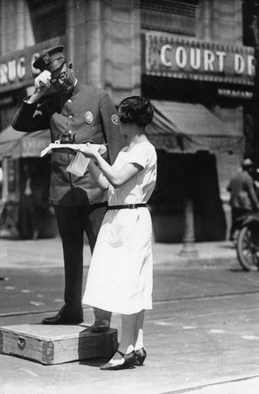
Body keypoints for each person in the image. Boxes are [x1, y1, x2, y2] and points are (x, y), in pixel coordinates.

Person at [12, 45, 124, 331]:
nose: (59, 81)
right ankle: (71, 309)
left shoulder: (97, 97)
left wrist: (116, 185)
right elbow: (19, 123)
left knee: (101, 256)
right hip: (63, 191)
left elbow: (116, 144)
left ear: (70, 67)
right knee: (70, 255)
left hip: (95, 191)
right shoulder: (50, 103)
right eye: (53, 78)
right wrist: (37, 94)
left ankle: (103, 314)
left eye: (61, 74)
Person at [79, 96, 157, 370]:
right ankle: (136, 344)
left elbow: (118, 178)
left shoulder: (145, 150)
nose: (118, 122)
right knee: (122, 279)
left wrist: (97, 155)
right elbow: (106, 184)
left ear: (134, 121)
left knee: (130, 282)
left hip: (133, 218)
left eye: (122, 117)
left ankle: (125, 349)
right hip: (117, 217)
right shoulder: (125, 152)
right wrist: (86, 159)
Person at [227, 158, 259, 240]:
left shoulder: (235, 177)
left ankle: (233, 237)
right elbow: (252, 193)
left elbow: (228, 188)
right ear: (249, 168)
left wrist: (236, 190)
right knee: (247, 221)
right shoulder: (248, 178)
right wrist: (257, 205)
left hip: (234, 203)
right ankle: (244, 238)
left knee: (235, 221)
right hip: (244, 204)